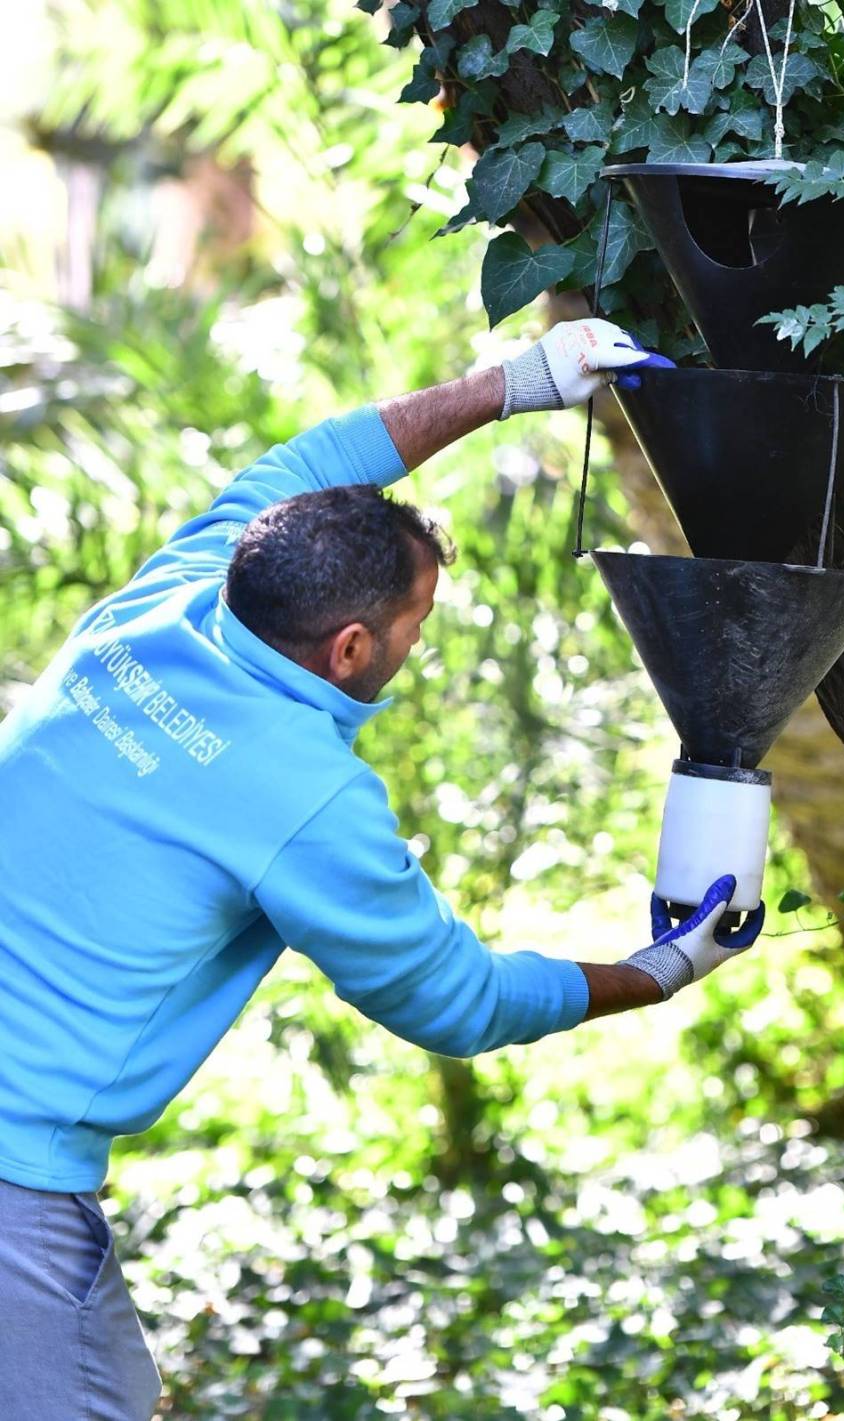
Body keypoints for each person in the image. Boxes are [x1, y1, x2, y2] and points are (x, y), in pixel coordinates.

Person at [0, 318, 765, 1420]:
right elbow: (455, 1000)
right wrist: (659, 969)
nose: (418, 647)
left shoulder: (178, 588)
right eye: (415, 628)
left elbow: (318, 460)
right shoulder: (302, 793)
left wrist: (523, 382)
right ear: (351, 648)